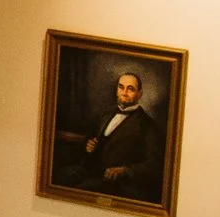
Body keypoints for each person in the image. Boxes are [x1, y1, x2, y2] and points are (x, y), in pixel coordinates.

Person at [69, 62, 165, 203]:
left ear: (140, 94)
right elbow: (91, 139)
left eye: (130, 89)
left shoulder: (148, 125)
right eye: (121, 87)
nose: (124, 92)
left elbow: (154, 165)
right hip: (90, 171)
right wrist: (89, 146)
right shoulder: (104, 114)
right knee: (64, 176)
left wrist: (124, 170)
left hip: (119, 185)